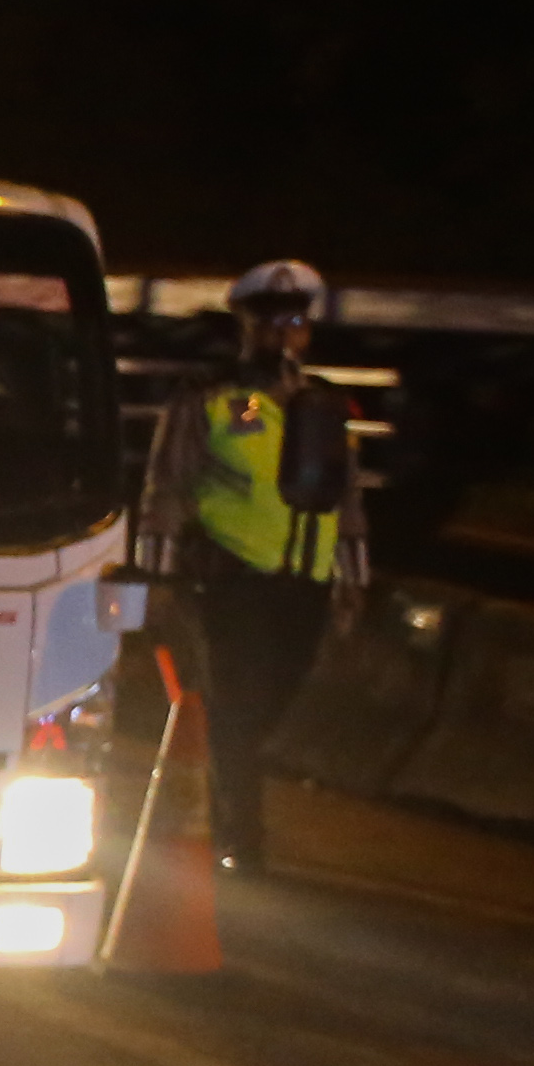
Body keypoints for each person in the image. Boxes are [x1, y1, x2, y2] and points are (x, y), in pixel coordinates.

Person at [143, 255, 376, 870]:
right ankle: (240, 837)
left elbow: (347, 502)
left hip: (306, 584)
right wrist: (161, 579)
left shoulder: (327, 404)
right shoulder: (208, 398)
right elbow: (168, 488)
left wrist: (354, 584)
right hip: (230, 581)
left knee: (274, 703)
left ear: (307, 330)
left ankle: (230, 801)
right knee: (240, 705)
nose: (281, 333)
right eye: (267, 321)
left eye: (294, 321)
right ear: (244, 326)